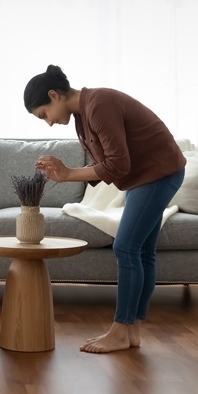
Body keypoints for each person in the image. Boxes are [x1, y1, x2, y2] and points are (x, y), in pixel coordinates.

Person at [24, 65, 186, 353]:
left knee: (125, 248)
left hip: (159, 174)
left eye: (44, 114)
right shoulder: (82, 116)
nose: (48, 123)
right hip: (145, 177)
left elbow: (118, 165)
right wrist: (65, 173)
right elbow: (106, 164)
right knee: (141, 252)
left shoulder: (100, 104)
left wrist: (69, 172)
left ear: (54, 95)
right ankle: (132, 331)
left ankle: (120, 330)